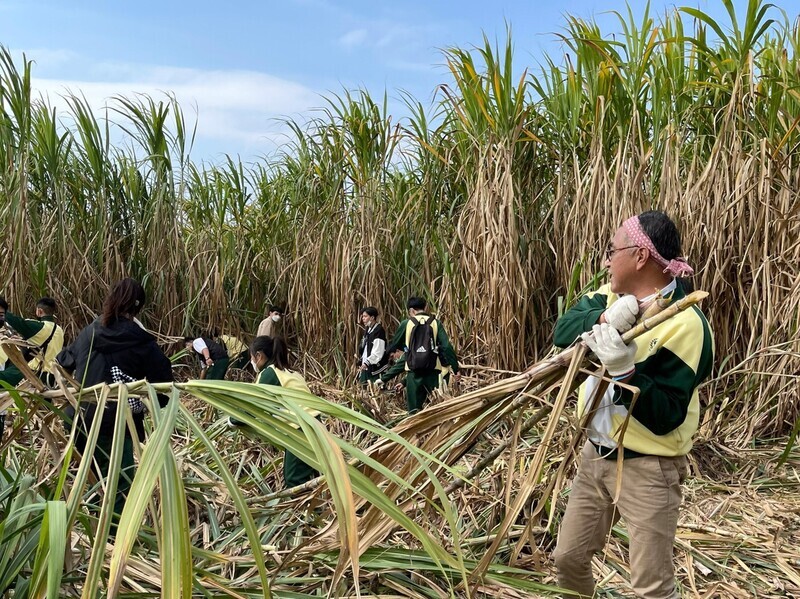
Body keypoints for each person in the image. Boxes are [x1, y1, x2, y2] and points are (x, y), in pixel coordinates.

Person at [551, 211, 714, 599]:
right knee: (567, 559)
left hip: (648, 467)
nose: (607, 261)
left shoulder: (686, 323)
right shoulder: (609, 296)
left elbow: (666, 416)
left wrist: (626, 371)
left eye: (612, 251)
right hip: (596, 456)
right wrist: (606, 316)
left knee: (651, 586)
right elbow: (562, 331)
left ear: (640, 256)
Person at [57, 278, 173, 529]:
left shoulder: (89, 332)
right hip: (115, 421)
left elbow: (63, 360)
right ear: (137, 308)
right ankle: (113, 540)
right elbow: (163, 382)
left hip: (77, 418)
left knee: (96, 476)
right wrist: (152, 402)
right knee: (119, 482)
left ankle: (91, 527)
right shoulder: (141, 340)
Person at [234, 335, 319, 489]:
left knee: (294, 479)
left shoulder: (269, 373)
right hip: (315, 424)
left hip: (301, 429)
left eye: (252, 358)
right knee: (312, 472)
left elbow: (252, 405)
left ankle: (309, 511)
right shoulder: (291, 372)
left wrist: (233, 420)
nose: (252, 362)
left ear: (259, 356)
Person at [385, 297, 460, 413]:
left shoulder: (406, 324)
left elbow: (396, 345)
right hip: (433, 371)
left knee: (413, 412)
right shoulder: (435, 323)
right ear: (425, 308)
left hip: (413, 373)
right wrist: (455, 369)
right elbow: (446, 347)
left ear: (411, 311)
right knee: (438, 409)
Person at [0, 295, 65, 387]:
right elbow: (42, 343)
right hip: (54, 375)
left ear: (39, 311)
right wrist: (21, 340)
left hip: (36, 374)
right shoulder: (59, 330)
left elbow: (18, 323)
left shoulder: (40, 327)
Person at [357, 307, 389, 385]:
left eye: (365, 316)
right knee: (363, 389)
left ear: (372, 317)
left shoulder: (378, 331)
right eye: (362, 316)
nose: (363, 319)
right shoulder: (368, 329)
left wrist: (367, 362)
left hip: (374, 368)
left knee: (374, 391)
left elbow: (378, 351)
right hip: (366, 365)